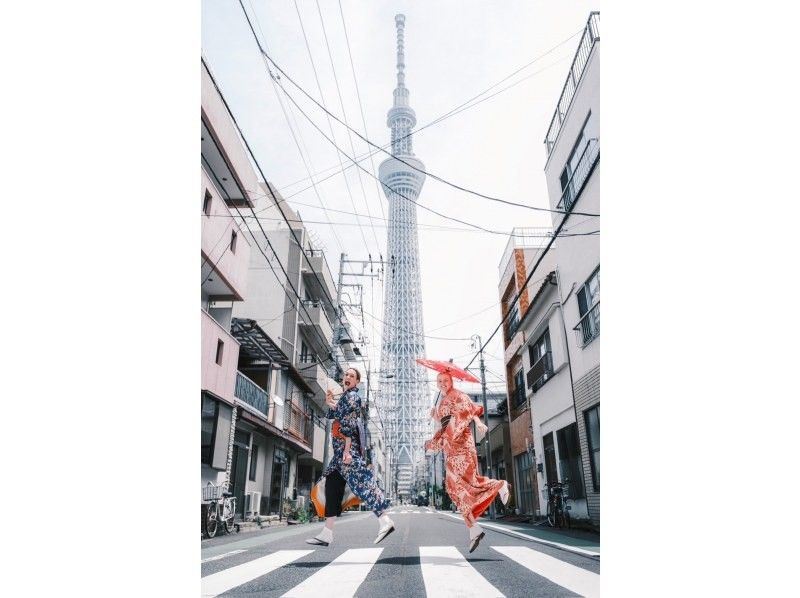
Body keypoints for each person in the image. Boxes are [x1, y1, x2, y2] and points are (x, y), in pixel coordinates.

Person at [306, 367, 395, 546]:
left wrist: (347, 451)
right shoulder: (346, 398)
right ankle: (327, 533)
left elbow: (347, 425)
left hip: (347, 453)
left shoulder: (352, 396)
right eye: (346, 374)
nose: (347, 377)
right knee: (332, 487)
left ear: (357, 382)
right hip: (340, 455)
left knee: (363, 485)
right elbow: (336, 415)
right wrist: (330, 402)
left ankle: (385, 521)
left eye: (351, 376)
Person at [425, 372, 510, 553]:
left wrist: (478, 423)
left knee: (470, 483)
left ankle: (499, 485)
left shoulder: (459, 395)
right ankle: (473, 529)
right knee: (453, 489)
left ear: (451, 381)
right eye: (439, 381)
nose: (442, 384)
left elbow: (468, 411)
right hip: (451, 449)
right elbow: (444, 424)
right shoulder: (441, 402)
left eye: (445, 381)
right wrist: (435, 417)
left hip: (462, 445)